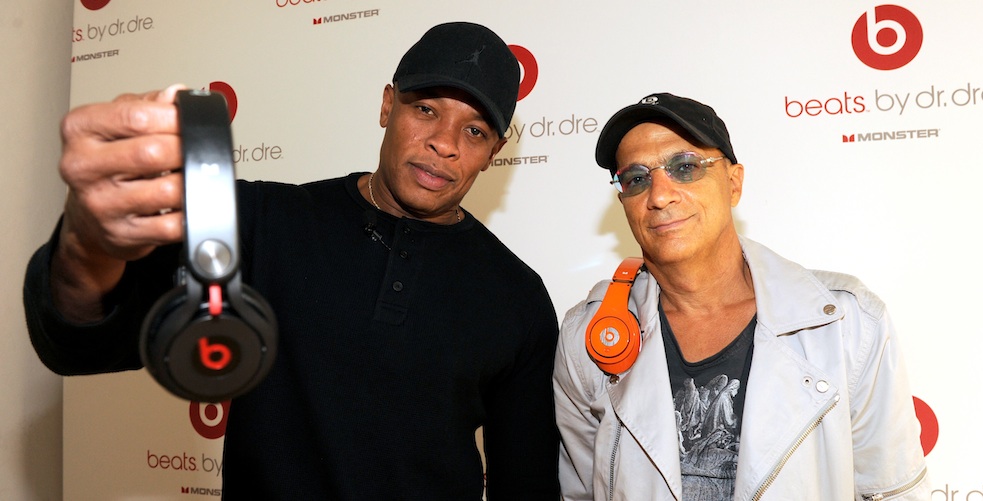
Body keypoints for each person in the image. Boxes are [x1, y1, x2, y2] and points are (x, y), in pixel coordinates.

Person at [23, 22, 561, 500]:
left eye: (474, 130)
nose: (444, 143)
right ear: (386, 105)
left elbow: (527, 485)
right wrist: (87, 248)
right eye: (426, 109)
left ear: (493, 153)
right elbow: (79, 341)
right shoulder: (257, 221)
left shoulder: (518, 298)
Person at [553, 92, 929, 500]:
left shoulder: (846, 323)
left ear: (734, 183)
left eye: (685, 167)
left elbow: (893, 491)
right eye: (637, 178)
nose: (659, 196)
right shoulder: (586, 336)